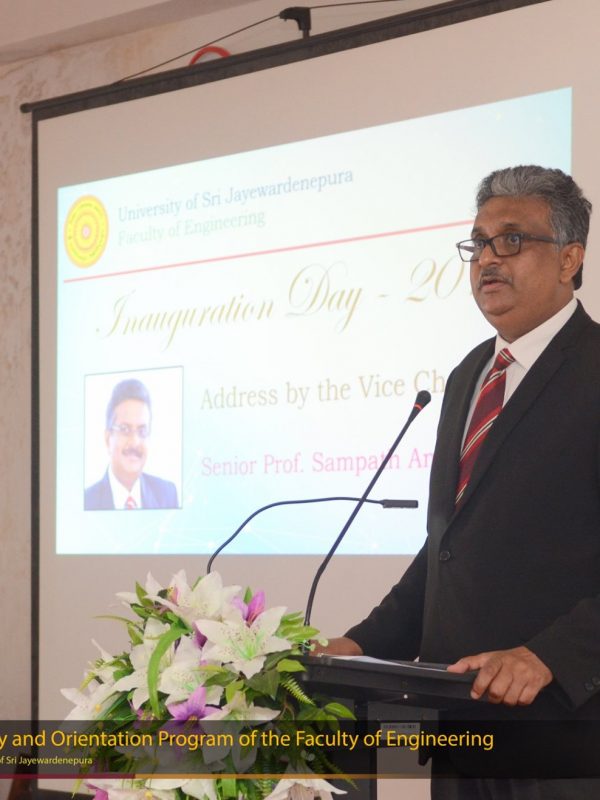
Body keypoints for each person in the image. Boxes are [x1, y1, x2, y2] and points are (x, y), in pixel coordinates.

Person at [320, 166, 600, 797]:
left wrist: (550, 656)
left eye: (512, 240)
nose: (487, 260)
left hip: (567, 733)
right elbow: (448, 549)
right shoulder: (469, 374)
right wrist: (359, 643)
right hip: (460, 726)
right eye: (478, 244)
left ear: (569, 259)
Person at [84, 378, 179, 510]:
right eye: (125, 429)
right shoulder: (86, 501)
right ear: (107, 439)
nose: (135, 441)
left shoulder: (167, 495)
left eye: (142, 431)